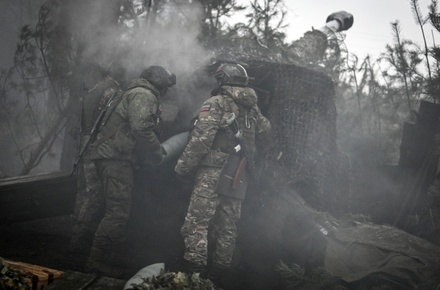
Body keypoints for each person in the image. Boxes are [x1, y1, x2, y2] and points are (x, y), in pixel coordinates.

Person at [174, 63, 271, 285]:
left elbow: (200, 142)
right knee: (228, 226)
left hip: (213, 172)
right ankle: (217, 279)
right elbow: (267, 131)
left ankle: (193, 277)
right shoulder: (252, 109)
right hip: (239, 173)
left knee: (197, 222)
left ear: (222, 80)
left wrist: (182, 167)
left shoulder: (215, 104)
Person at [85, 65, 176, 277]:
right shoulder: (144, 95)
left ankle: (95, 254)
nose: (165, 93)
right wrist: (155, 151)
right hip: (115, 160)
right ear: (159, 85)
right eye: (165, 88)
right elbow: (141, 128)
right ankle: (96, 262)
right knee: (117, 213)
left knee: (111, 209)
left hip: (110, 157)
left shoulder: (133, 92)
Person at [69, 62, 126, 254]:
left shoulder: (94, 89)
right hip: (95, 144)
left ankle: (76, 230)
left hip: (84, 142)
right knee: (94, 192)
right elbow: (108, 123)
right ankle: (79, 238)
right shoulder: (113, 91)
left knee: (84, 189)